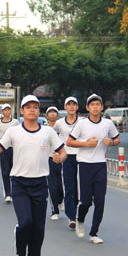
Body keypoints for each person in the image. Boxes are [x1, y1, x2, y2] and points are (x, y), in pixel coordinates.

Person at [0, 95, 66, 256]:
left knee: (38, 227)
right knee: (26, 223)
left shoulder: (48, 132)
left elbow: (63, 152)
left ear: (38, 111)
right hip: (20, 183)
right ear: (22, 111)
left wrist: (59, 158)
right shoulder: (13, 132)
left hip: (40, 183)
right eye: (28, 107)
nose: (32, 109)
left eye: (35, 107)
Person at [67, 94, 120, 244]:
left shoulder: (108, 123)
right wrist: (86, 144)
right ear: (88, 108)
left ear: (102, 107)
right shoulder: (82, 124)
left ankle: (94, 233)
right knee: (85, 201)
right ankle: (80, 219)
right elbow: (69, 141)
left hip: (100, 165)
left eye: (98, 104)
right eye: (93, 105)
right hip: (84, 165)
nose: (96, 107)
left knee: (100, 200)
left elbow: (117, 138)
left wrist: (112, 142)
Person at [53, 96, 81, 229]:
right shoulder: (59, 123)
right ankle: (71, 216)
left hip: (82, 157)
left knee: (79, 188)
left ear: (77, 107)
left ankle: (76, 210)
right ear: (65, 107)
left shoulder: (82, 122)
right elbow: (53, 137)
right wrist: (56, 152)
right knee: (69, 186)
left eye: (73, 104)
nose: (71, 107)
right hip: (67, 157)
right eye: (68, 104)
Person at [0, 103, 20, 203]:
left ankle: (15, 191)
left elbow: (20, 134)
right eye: (5, 110)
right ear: (2, 112)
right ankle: (7, 193)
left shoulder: (15, 122)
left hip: (14, 148)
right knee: (5, 172)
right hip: (3, 149)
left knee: (15, 171)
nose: (7, 112)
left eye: (8, 110)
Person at [46, 106, 64, 221]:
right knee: (52, 185)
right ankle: (54, 211)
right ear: (47, 116)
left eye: (54, 112)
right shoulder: (44, 129)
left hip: (62, 158)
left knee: (61, 185)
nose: (52, 114)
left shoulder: (62, 128)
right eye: (50, 112)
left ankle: (60, 201)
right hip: (49, 159)